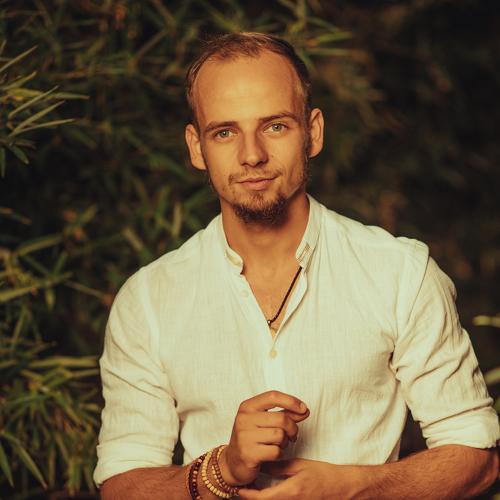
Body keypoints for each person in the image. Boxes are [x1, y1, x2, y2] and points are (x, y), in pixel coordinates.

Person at [94, 32, 499, 499]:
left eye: (275, 126)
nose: (251, 155)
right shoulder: (147, 300)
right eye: (224, 132)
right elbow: (121, 484)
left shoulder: (401, 274)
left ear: (313, 132)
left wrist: (352, 489)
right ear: (196, 147)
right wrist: (222, 470)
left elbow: (479, 458)